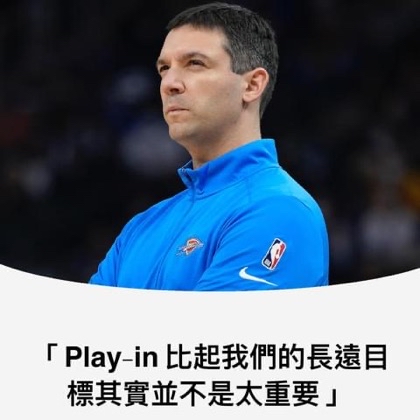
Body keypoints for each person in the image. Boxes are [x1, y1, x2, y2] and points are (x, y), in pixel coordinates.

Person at [89, 2, 329, 290]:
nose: (169, 83)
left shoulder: (280, 209)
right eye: (164, 68)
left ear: (252, 85)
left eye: (195, 63)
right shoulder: (140, 228)